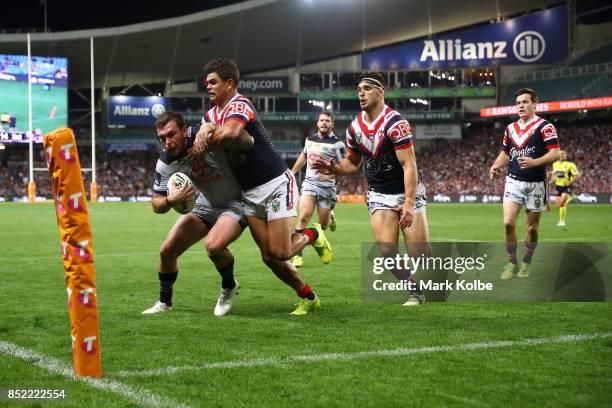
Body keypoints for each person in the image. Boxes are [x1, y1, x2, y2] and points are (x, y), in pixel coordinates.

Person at [188, 58, 330, 315]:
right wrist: (205, 128)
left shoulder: (240, 103)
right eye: (206, 83)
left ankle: (313, 234)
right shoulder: (210, 114)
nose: (207, 87)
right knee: (268, 257)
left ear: (229, 84)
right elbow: (214, 131)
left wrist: (204, 137)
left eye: (213, 82)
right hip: (249, 195)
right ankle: (308, 296)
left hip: (275, 184)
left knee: (281, 252)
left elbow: (231, 133)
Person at [312, 72, 429, 306]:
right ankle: (415, 290)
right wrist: (334, 168)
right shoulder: (354, 128)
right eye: (358, 90)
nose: (361, 93)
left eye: (366, 88)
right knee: (387, 251)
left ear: (380, 92)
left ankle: (426, 283)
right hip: (379, 194)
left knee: (421, 256)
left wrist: (407, 202)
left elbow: (409, 165)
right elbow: (353, 162)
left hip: (407, 193)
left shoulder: (397, 124)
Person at [142, 111, 251, 316]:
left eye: (171, 134)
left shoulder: (203, 135)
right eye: (162, 138)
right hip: (206, 203)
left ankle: (228, 285)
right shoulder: (166, 161)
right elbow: (156, 203)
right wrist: (170, 200)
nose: (167, 141)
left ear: (184, 131)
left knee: (214, 247)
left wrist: (208, 128)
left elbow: (234, 133)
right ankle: (165, 303)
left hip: (237, 202)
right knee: (167, 250)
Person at [489, 88, 560, 280]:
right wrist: (496, 165)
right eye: (518, 102)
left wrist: (534, 162)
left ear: (534, 104)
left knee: (532, 229)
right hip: (513, 181)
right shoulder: (510, 129)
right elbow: (505, 153)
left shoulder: (545, 126)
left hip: (536, 184)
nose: (521, 105)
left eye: (525, 102)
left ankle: (527, 263)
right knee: (508, 223)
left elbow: (555, 153)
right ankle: (512, 263)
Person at [290, 111, 346, 267]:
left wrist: (330, 176)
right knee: (303, 217)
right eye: (321, 120)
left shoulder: (338, 144)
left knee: (322, 226)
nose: (324, 123)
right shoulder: (310, 140)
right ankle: (297, 254)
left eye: (327, 121)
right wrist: (292, 172)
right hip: (309, 184)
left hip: (327, 188)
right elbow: (303, 156)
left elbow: (344, 167)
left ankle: (331, 218)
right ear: (317, 123)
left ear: (332, 124)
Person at [550, 150, 580, 227]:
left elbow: (577, 175)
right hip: (558, 186)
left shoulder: (570, 165)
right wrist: (552, 180)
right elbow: (554, 175)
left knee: (562, 204)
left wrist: (569, 182)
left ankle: (562, 221)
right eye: (561, 154)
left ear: (565, 156)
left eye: (564, 154)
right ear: (558, 156)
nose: (562, 155)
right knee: (558, 205)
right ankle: (571, 197)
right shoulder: (555, 164)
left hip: (566, 186)